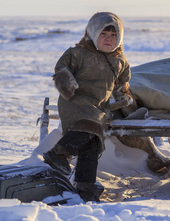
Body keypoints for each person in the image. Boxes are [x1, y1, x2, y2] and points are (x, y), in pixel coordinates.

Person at [43, 12, 131, 202]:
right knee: (88, 127)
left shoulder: (120, 61)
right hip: (74, 101)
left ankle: (85, 187)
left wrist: (123, 98)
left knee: (92, 146)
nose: (108, 40)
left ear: (120, 37)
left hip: (98, 108)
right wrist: (66, 83)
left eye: (113, 36)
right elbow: (61, 68)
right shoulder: (78, 53)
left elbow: (121, 85)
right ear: (92, 33)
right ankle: (58, 154)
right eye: (103, 35)